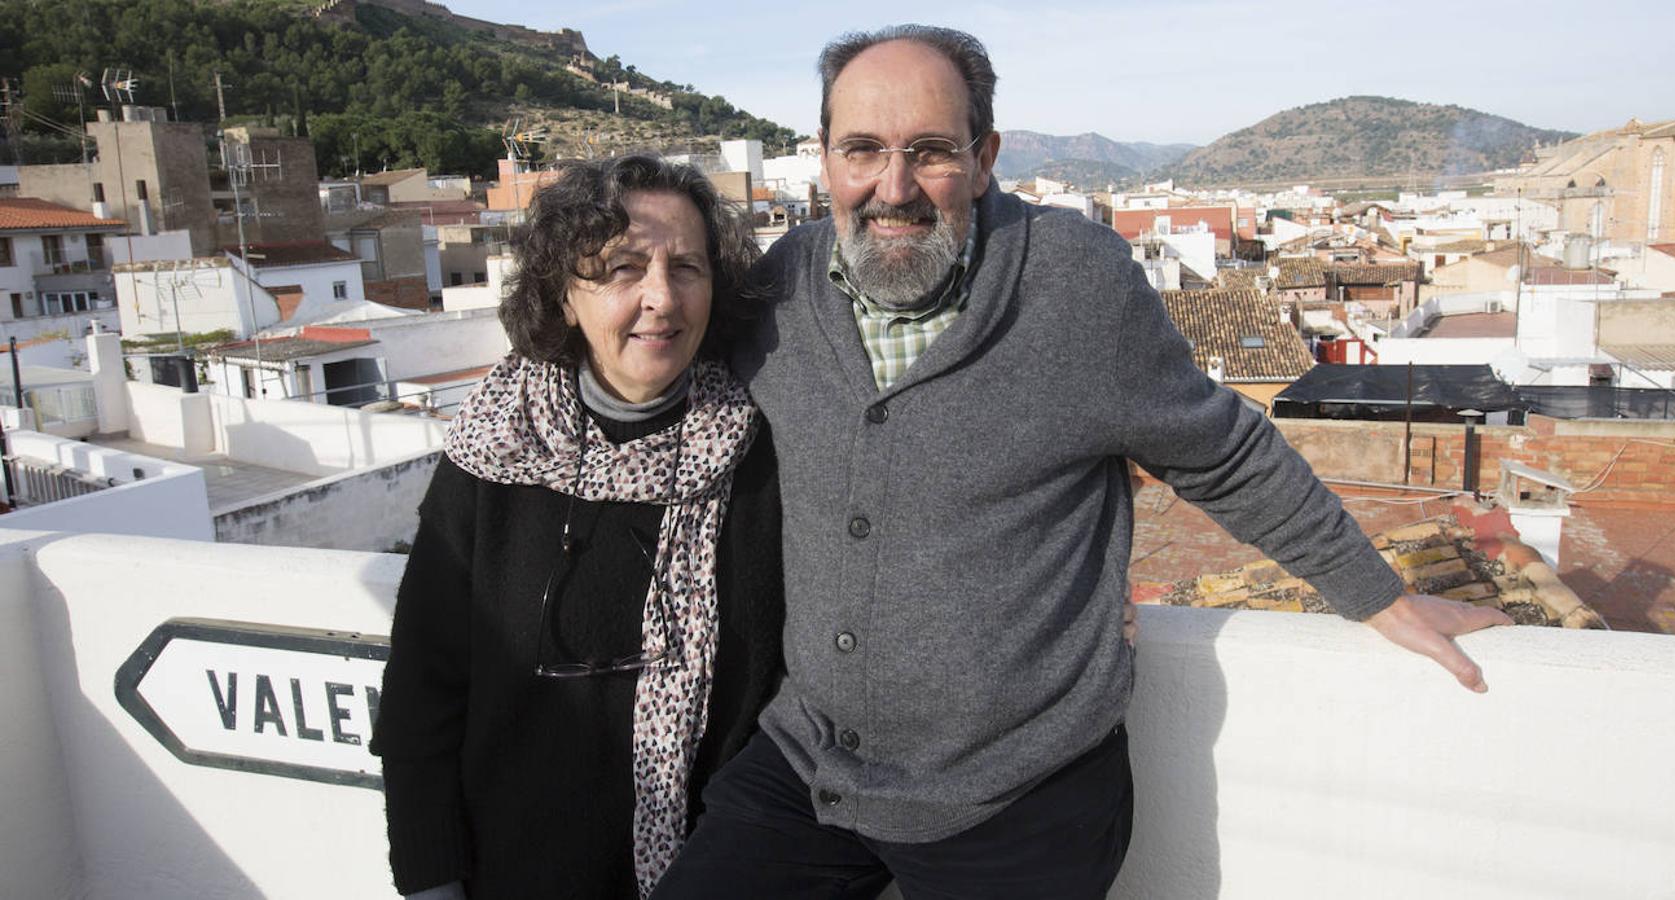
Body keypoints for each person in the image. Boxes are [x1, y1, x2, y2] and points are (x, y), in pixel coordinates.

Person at [653, 24, 1511, 899]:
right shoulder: (780, 285)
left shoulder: (1075, 283)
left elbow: (1222, 453)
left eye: (932, 152)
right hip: (813, 763)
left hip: (1020, 793)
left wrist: (1373, 592)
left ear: (984, 158)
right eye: (862, 150)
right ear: (824, 159)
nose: (893, 186)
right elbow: (654, 365)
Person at [370, 156, 783, 899]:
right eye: (624, 267)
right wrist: (432, 878)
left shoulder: (764, 456)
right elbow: (420, 697)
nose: (662, 297)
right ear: (563, 296)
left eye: (686, 266)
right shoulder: (491, 458)